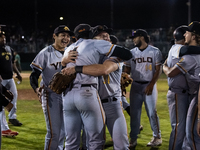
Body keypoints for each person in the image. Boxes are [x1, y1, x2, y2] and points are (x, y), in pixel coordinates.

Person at [61, 25, 132, 150]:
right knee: (87, 143)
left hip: (111, 105)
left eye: (108, 36)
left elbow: (104, 69)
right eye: (102, 35)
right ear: (93, 38)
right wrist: (64, 61)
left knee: (121, 145)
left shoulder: (114, 57)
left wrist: (73, 67)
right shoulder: (90, 52)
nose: (106, 38)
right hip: (90, 102)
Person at [29, 25, 74, 150]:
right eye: (62, 35)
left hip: (68, 94)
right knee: (54, 132)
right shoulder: (45, 53)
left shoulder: (71, 51)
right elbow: (34, 75)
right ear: (54, 36)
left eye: (67, 36)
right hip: (51, 94)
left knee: (64, 132)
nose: (66, 38)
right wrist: (36, 89)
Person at [163, 21, 200, 150]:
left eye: (188, 33)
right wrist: (165, 69)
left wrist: (164, 67)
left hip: (191, 94)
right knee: (182, 129)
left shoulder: (182, 51)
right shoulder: (179, 49)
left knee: (189, 131)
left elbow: (171, 72)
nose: (185, 35)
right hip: (180, 93)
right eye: (184, 33)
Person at [123, 29, 163, 148]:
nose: (133, 40)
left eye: (135, 38)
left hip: (149, 84)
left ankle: (157, 137)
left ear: (142, 37)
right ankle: (133, 138)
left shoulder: (154, 51)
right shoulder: (131, 52)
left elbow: (158, 70)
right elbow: (127, 70)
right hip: (135, 86)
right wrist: (125, 78)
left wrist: (151, 84)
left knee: (152, 112)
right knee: (135, 114)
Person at [0, 32, 22, 139]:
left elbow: (12, 63)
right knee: (0, 102)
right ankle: (4, 128)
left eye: (4, 36)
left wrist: (17, 73)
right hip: (1, 79)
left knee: (14, 96)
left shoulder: (9, 48)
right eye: (1, 36)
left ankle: (12, 117)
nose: (3, 38)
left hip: (9, 78)